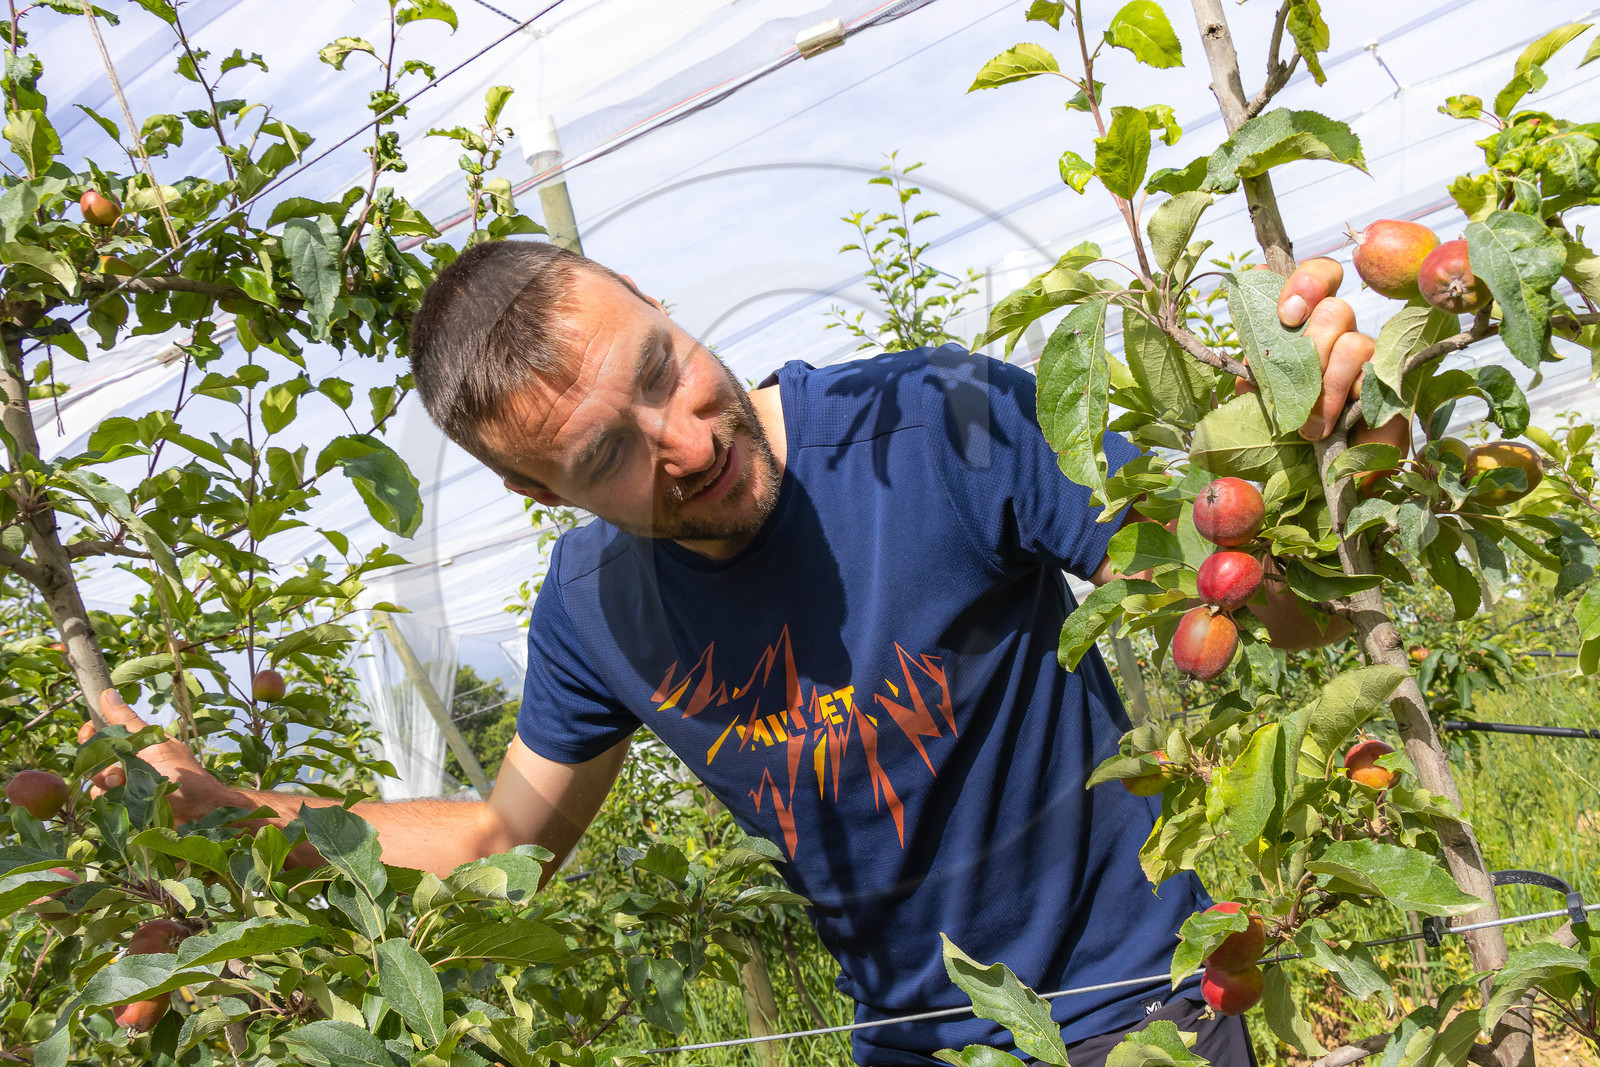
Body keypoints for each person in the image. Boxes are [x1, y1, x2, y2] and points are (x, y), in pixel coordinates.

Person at [100, 240, 1378, 1066]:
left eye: (662, 369)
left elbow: (1259, 602)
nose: (689, 440)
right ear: (545, 495)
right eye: (608, 453)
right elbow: (501, 842)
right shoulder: (593, 611)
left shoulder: (938, 422)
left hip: (1150, 1014)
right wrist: (231, 811)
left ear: (663, 306)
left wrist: (1318, 450)